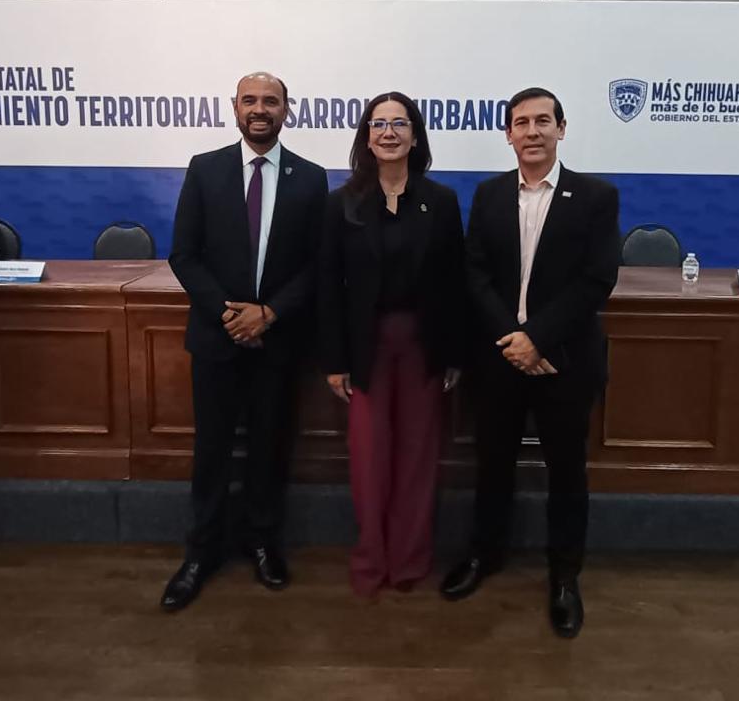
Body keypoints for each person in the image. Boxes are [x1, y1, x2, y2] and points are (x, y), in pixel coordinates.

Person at [440, 87, 620, 639]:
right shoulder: (489, 194)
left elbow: (597, 279)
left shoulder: (596, 196)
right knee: (492, 463)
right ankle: (484, 555)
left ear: (561, 129)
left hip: (563, 358)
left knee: (566, 471)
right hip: (499, 357)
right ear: (508, 134)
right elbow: (474, 273)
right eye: (521, 122)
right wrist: (512, 338)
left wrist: (537, 338)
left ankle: (564, 577)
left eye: (543, 120)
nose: (532, 131)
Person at [160, 71, 328, 612]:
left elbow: (317, 264)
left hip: (278, 341)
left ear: (287, 109)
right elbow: (184, 254)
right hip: (216, 338)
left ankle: (262, 543)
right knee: (211, 450)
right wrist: (229, 314)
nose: (260, 109)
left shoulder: (311, 178)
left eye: (270, 101)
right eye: (250, 100)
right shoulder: (204, 169)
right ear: (234, 107)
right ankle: (200, 552)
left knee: (269, 449)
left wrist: (269, 313)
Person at [318, 92, 465, 598]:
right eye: (378, 124)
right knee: (369, 457)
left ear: (415, 136)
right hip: (366, 346)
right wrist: (334, 360)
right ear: (366, 137)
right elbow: (327, 286)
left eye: (399, 123)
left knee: (418, 456)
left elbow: (454, 284)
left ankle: (409, 559)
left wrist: (454, 353)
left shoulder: (441, 202)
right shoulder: (341, 204)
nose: (388, 132)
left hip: (424, 343)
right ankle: (371, 558)